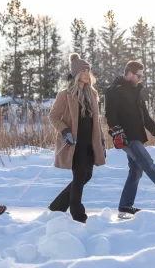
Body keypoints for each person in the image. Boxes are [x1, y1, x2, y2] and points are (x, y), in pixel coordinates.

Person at [105, 60, 155, 219]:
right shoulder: (114, 91)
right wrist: (116, 132)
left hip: (136, 135)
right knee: (147, 163)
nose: (140, 79)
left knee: (136, 171)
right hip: (126, 137)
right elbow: (110, 115)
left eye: (142, 76)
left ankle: (125, 206)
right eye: (138, 76)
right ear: (129, 73)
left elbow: (145, 117)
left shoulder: (136, 92)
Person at [48, 53, 106, 223]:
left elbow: (96, 121)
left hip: (90, 143)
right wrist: (65, 131)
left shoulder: (93, 94)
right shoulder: (65, 95)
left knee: (87, 176)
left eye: (88, 71)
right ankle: (77, 213)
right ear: (76, 74)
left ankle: (57, 206)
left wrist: (101, 142)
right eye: (83, 71)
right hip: (75, 144)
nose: (87, 75)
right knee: (80, 176)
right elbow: (53, 116)